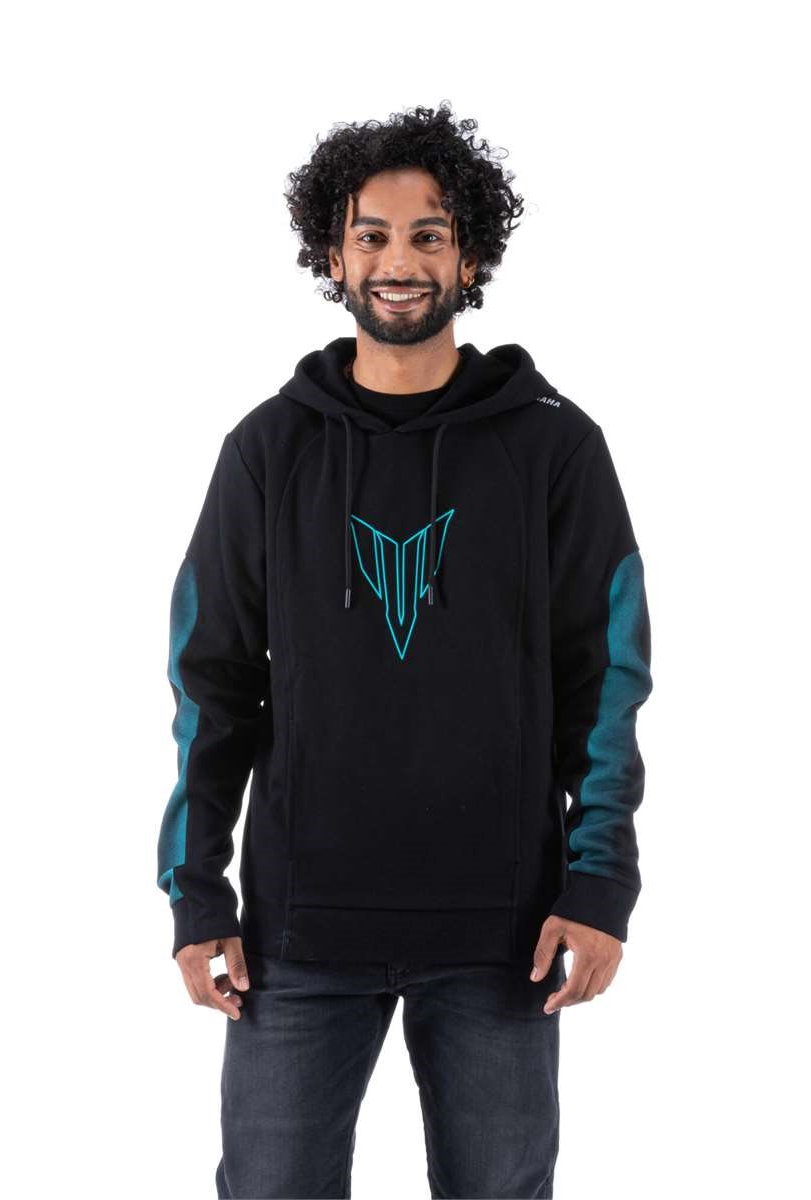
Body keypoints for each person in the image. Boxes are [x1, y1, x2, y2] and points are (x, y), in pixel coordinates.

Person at [155, 101, 654, 1200]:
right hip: (297, 933)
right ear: (332, 257)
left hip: (503, 935)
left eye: (429, 234)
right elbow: (212, 684)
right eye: (371, 235)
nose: (398, 261)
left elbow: (605, 684)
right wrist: (196, 894)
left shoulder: (555, 447)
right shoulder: (268, 449)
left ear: (470, 257)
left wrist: (600, 883)